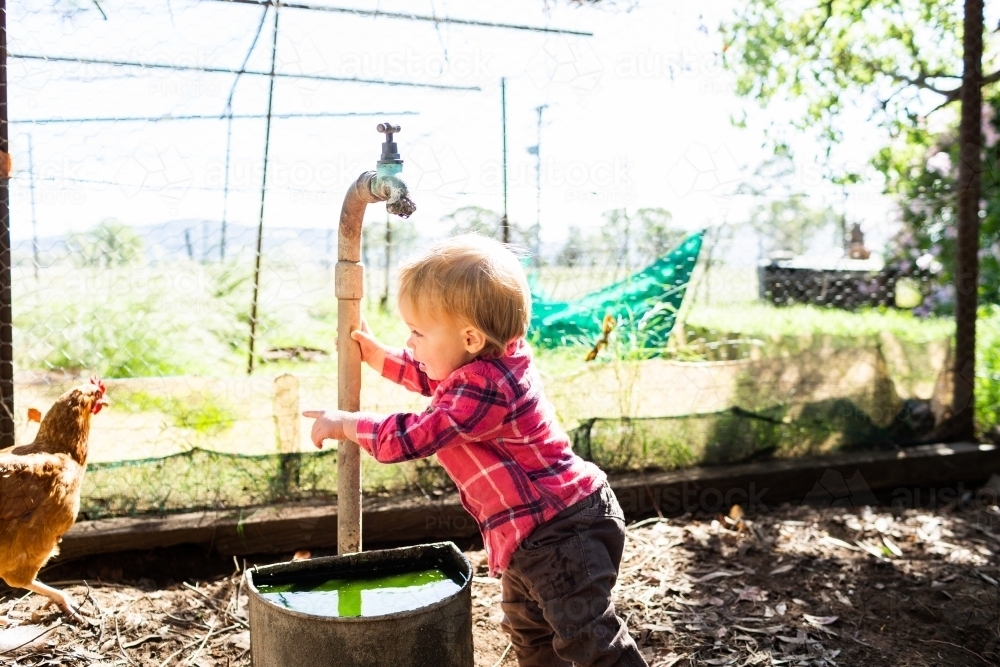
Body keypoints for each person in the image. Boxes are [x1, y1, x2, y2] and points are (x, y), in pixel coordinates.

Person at [303, 234, 647, 667]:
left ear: (469, 337)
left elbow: (415, 435)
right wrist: (376, 356)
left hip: (560, 530)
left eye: (416, 332)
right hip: (536, 533)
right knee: (530, 631)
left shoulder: (487, 388)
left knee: (588, 639)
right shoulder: (482, 363)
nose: (410, 342)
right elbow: (432, 375)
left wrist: (348, 425)